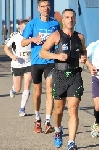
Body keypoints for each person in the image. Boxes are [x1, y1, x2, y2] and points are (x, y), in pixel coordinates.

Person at [39, 9, 86, 149]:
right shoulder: (56, 35)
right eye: (67, 17)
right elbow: (43, 52)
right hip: (59, 76)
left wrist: (83, 57)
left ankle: (71, 142)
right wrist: (57, 56)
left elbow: (83, 50)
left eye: (72, 17)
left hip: (75, 75)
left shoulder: (80, 37)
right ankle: (58, 130)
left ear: (75, 20)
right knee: (58, 110)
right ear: (63, 20)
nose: (70, 19)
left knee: (73, 109)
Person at [21, 0, 60, 133]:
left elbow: (60, 40)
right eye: (42, 6)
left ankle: (48, 121)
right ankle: (37, 118)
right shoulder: (33, 23)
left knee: (50, 90)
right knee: (37, 92)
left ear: (50, 7)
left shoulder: (55, 23)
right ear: (38, 8)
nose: (45, 8)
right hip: (37, 61)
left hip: (50, 61)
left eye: (48, 6)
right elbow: (22, 42)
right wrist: (33, 39)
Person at [4, 20, 32, 116]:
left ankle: (22, 108)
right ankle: (13, 90)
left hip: (29, 64)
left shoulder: (32, 36)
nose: (25, 29)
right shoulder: (15, 37)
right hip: (17, 64)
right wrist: (12, 56)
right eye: (23, 27)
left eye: (27, 27)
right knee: (18, 88)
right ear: (20, 28)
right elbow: (6, 48)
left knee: (27, 85)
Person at [86, 22, 99, 141]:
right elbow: (83, 56)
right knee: (98, 105)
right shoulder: (94, 45)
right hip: (97, 78)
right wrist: (89, 65)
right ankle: (97, 123)